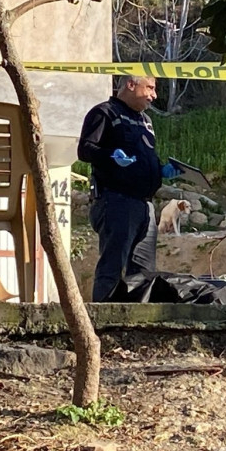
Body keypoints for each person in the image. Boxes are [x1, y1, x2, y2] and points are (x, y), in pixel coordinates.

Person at [77, 75, 179, 301]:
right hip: (116, 201)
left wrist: (161, 170)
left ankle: (137, 325)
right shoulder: (105, 113)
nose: (154, 95)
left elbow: (144, 157)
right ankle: (102, 321)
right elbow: (85, 150)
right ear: (131, 85)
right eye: (150, 88)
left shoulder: (145, 121)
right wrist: (111, 156)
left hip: (145, 206)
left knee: (143, 274)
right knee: (112, 267)